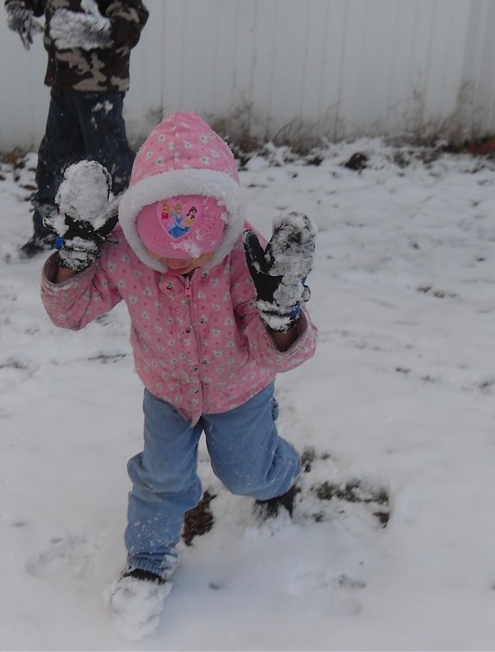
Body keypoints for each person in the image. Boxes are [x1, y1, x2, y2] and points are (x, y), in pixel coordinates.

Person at [39, 111, 318, 637]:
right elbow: (69, 313)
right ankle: (148, 561)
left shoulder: (244, 255)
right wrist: (74, 261)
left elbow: (275, 355)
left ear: (224, 224)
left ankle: (279, 475)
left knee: (247, 475)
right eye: (162, 253)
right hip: (167, 391)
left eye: (195, 253)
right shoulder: (125, 252)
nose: (178, 265)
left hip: (240, 389)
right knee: (162, 476)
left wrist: (279, 319)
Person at [4, 0, 149, 258]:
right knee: (54, 160)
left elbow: (131, 15)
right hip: (63, 82)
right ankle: (48, 233)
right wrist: (19, 7)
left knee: (110, 162)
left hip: (100, 85)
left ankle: (135, 238)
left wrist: (95, 31)